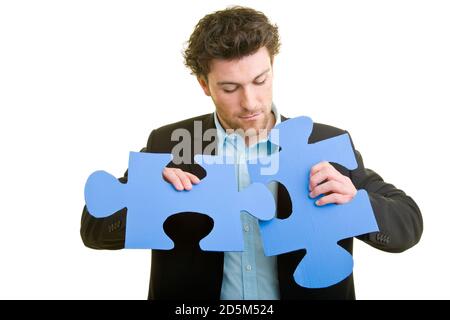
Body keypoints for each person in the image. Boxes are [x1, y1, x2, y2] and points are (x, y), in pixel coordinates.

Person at [80, 6, 423, 300]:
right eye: (230, 88)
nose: (250, 102)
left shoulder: (325, 143)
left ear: (273, 67)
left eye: (260, 80)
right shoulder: (171, 144)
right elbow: (94, 229)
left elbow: (408, 224)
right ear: (204, 84)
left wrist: (357, 203)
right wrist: (146, 194)